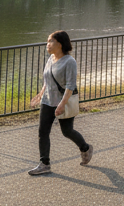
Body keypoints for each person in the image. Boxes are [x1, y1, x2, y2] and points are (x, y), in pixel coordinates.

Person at [27, 31, 93, 175]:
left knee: (67, 131)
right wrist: (40, 95)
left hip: (63, 102)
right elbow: (47, 79)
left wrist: (62, 104)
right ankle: (44, 164)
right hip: (47, 101)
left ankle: (85, 148)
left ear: (60, 44)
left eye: (51, 41)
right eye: (47, 41)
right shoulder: (51, 58)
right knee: (42, 132)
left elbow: (70, 85)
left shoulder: (69, 61)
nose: (47, 45)